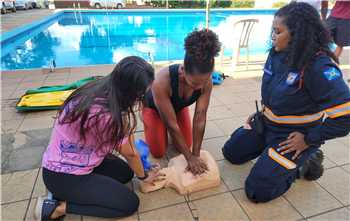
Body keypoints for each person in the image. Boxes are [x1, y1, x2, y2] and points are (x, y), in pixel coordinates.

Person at [222, 2, 350, 203]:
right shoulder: (277, 53)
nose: (273, 36)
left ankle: (307, 159)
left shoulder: (318, 66)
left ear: (297, 34)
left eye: (278, 31)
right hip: (267, 124)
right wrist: (261, 114)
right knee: (231, 153)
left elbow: (345, 119)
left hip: (292, 137)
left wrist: (309, 138)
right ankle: (272, 155)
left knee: (257, 191)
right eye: (273, 30)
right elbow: (276, 93)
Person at [35, 56, 164, 221]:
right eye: (141, 94)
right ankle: (57, 208)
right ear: (130, 93)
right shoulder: (107, 115)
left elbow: (129, 145)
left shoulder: (102, 88)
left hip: (75, 159)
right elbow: (130, 153)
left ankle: (70, 193)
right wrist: (144, 177)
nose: (143, 98)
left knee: (125, 173)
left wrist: (140, 168)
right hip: (62, 176)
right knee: (129, 203)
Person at [142, 29, 221, 175]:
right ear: (183, 71)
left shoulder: (206, 82)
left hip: (177, 107)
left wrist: (195, 154)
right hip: (153, 108)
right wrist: (189, 158)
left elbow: (200, 117)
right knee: (158, 152)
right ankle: (151, 125)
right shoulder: (161, 82)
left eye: (203, 82)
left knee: (186, 144)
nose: (199, 87)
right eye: (194, 84)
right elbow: (171, 125)